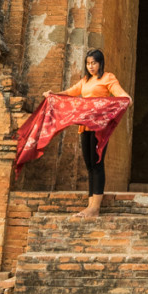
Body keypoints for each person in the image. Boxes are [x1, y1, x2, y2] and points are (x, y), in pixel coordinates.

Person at [44, 48, 132, 217]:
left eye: (94, 63)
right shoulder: (85, 80)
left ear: (100, 63)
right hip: (84, 127)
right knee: (89, 165)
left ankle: (95, 208)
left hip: (99, 127)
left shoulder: (108, 78)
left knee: (98, 164)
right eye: (88, 63)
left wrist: (126, 99)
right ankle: (90, 204)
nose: (91, 66)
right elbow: (71, 93)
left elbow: (120, 93)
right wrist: (53, 95)